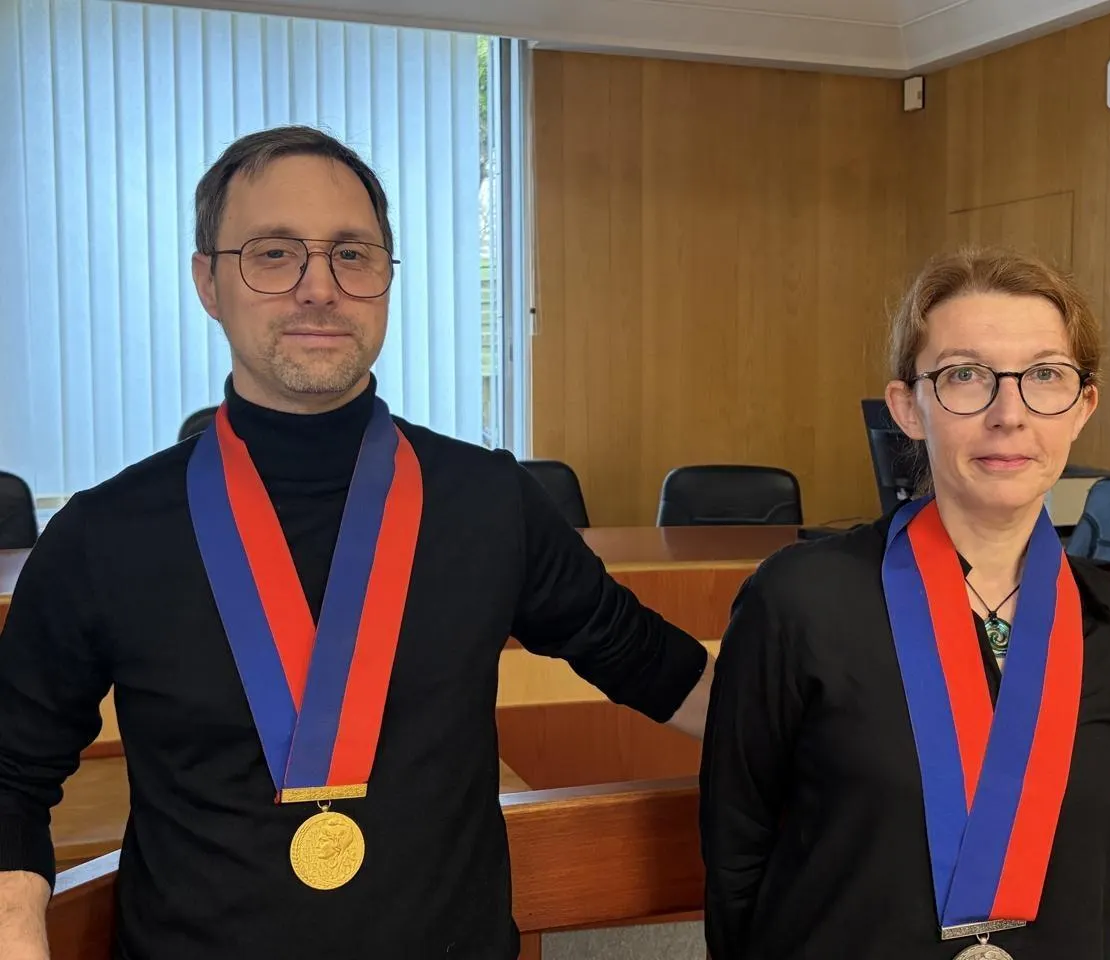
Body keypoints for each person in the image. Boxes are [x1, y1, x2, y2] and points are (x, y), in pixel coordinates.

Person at [0, 125, 714, 960]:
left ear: (385, 279)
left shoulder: (489, 501)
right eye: (273, 254)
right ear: (208, 282)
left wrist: (826, 733)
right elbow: (11, 771)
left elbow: (648, 661)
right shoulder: (104, 534)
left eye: (352, 254)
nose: (319, 288)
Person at [699, 248, 1110, 960]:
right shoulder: (798, 603)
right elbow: (737, 852)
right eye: (965, 375)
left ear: (1082, 407)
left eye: (1045, 375)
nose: (1009, 414)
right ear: (907, 408)